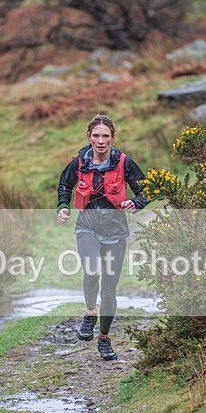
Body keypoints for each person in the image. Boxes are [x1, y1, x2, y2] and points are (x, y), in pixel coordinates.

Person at [57, 114, 148, 361]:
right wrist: (63, 206)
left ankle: (104, 338)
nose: (100, 140)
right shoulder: (78, 162)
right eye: (96, 135)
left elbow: (146, 189)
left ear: (112, 138)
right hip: (87, 226)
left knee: (109, 289)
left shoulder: (124, 163)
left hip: (116, 232)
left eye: (105, 136)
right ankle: (89, 314)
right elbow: (64, 185)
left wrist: (136, 202)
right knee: (91, 269)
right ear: (89, 137)